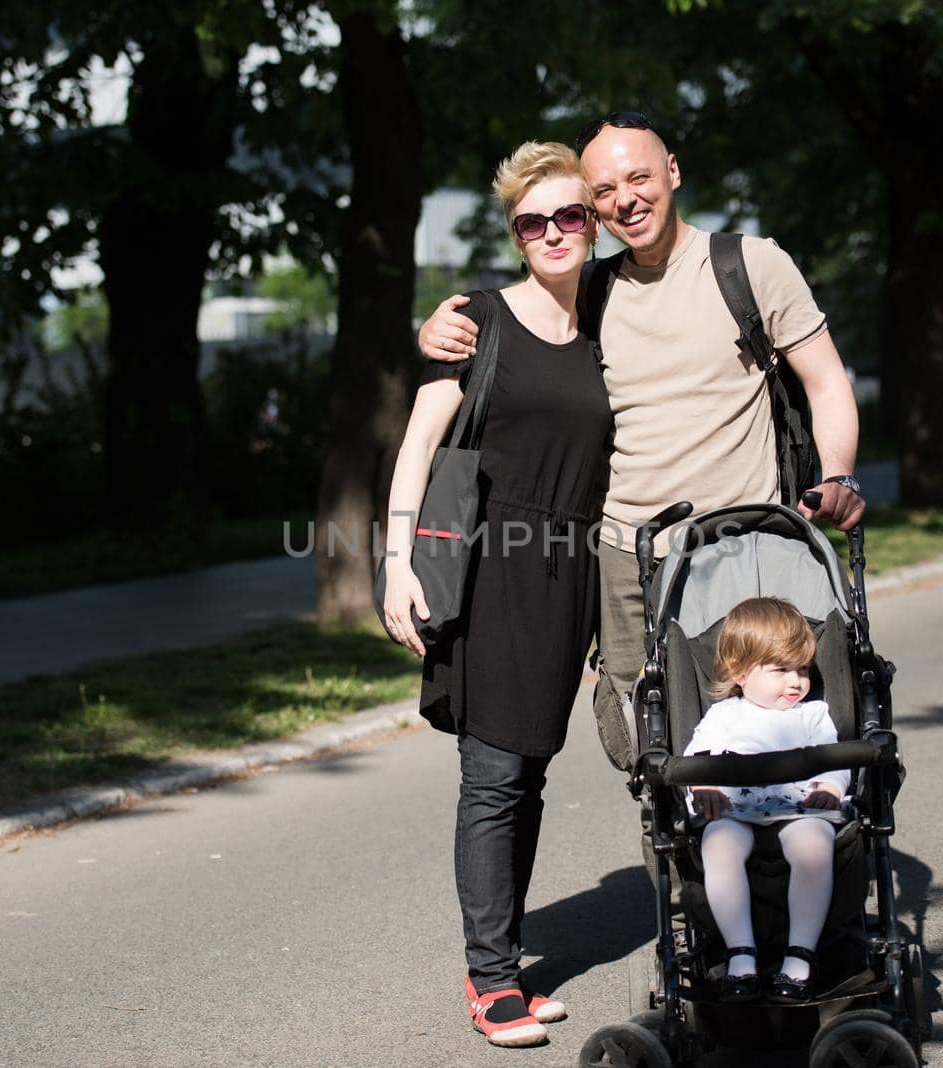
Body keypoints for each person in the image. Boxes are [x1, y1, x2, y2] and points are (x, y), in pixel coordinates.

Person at [417, 111, 866, 772]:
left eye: (640, 177)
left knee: (768, 720)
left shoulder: (748, 266)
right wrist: (439, 332)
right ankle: (683, 875)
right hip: (629, 557)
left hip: (743, 544)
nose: (626, 198)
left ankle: (777, 858)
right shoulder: (590, 291)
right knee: (646, 739)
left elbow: (826, 379)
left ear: (673, 172)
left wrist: (839, 472)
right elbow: (516, 325)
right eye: (604, 190)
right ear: (593, 209)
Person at [381, 141, 612, 1048]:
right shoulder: (479, 318)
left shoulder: (611, 314)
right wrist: (397, 559)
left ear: (590, 223)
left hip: (576, 564)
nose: (553, 234)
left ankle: (506, 961)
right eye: (533, 222)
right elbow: (419, 441)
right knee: (494, 774)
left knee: (533, 767)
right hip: (492, 560)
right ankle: (490, 981)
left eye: (569, 217)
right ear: (515, 234)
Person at [682, 596, 848, 1002]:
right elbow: (695, 758)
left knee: (813, 846)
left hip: (799, 809)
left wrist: (831, 785)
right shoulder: (724, 716)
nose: (796, 682)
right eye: (781, 671)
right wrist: (703, 786)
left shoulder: (813, 714)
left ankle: (799, 955)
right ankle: (741, 952)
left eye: (803, 670)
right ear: (739, 672)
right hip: (737, 811)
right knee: (717, 843)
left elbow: (835, 756)